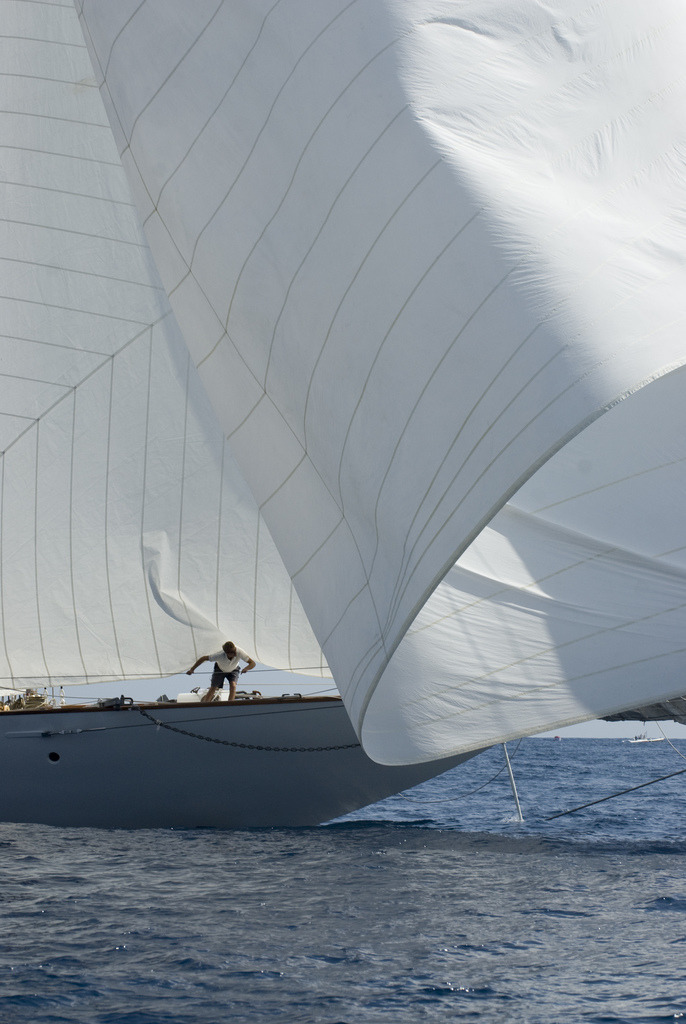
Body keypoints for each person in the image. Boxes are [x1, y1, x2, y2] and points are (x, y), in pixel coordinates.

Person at [186, 641, 256, 703]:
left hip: (234, 669)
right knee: (213, 687)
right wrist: (192, 669)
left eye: (235, 651)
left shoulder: (239, 652)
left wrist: (246, 668)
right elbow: (203, 658)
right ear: (227, 653)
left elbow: (252, 663)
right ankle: (206, 703)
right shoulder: (220, 655)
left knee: (233, 685)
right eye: (233, 652)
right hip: (220, 669)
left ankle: (230, 704)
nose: (235, 653)